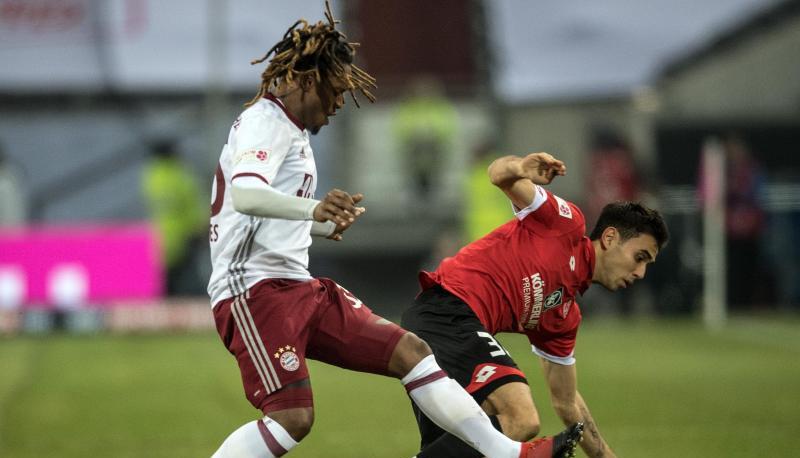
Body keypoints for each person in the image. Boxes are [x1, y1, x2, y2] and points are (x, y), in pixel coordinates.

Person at [207, 3, 581, 458]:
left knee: (411, 352)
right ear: (308, 80)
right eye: (337, 92)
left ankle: (510, 454)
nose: (340, 104)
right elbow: (245, 196)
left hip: (298, 286)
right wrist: (313, 209)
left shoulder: (294, 133)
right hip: (254, 291)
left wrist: (322, 223)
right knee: (292, 419)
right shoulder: (263, 122)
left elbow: (265, 217)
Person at [401, 152, 669, 458]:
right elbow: (498, 173)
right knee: (520, 417)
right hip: (445, 309)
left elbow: (567, 403)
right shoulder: (565, 224)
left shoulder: (563, 317)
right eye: (640, 257)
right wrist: (520, 168)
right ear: (609, 238)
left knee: (467, 441)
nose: (640, 273)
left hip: (445, 328)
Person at [141, 139, 206, 295]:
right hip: (185, 234)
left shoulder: (151, 176)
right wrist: (201, 226)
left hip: (161, 235)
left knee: (166, 281)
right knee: (187, 278)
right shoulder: (179, 174)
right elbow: (193, 203)